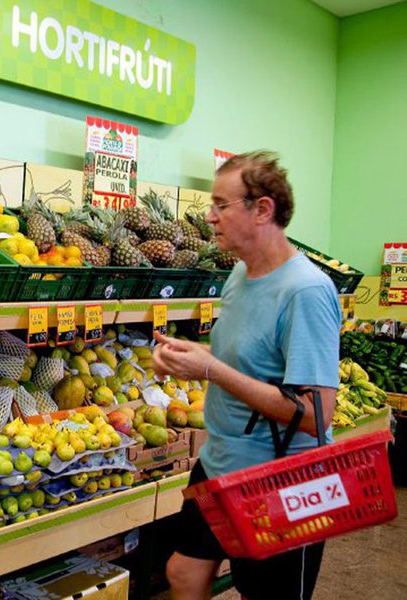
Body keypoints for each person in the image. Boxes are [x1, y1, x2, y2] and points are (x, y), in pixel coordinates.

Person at [151, 151, 341, 600]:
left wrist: (211, 370)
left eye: (221, 204)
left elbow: (317, 413)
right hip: (221, 464)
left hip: (279, 485)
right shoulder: (239, 274)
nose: (209, 217)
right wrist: (191, 355)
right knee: (183, 573)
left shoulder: (306, 292)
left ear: (262, 210)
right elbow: (244, 360)